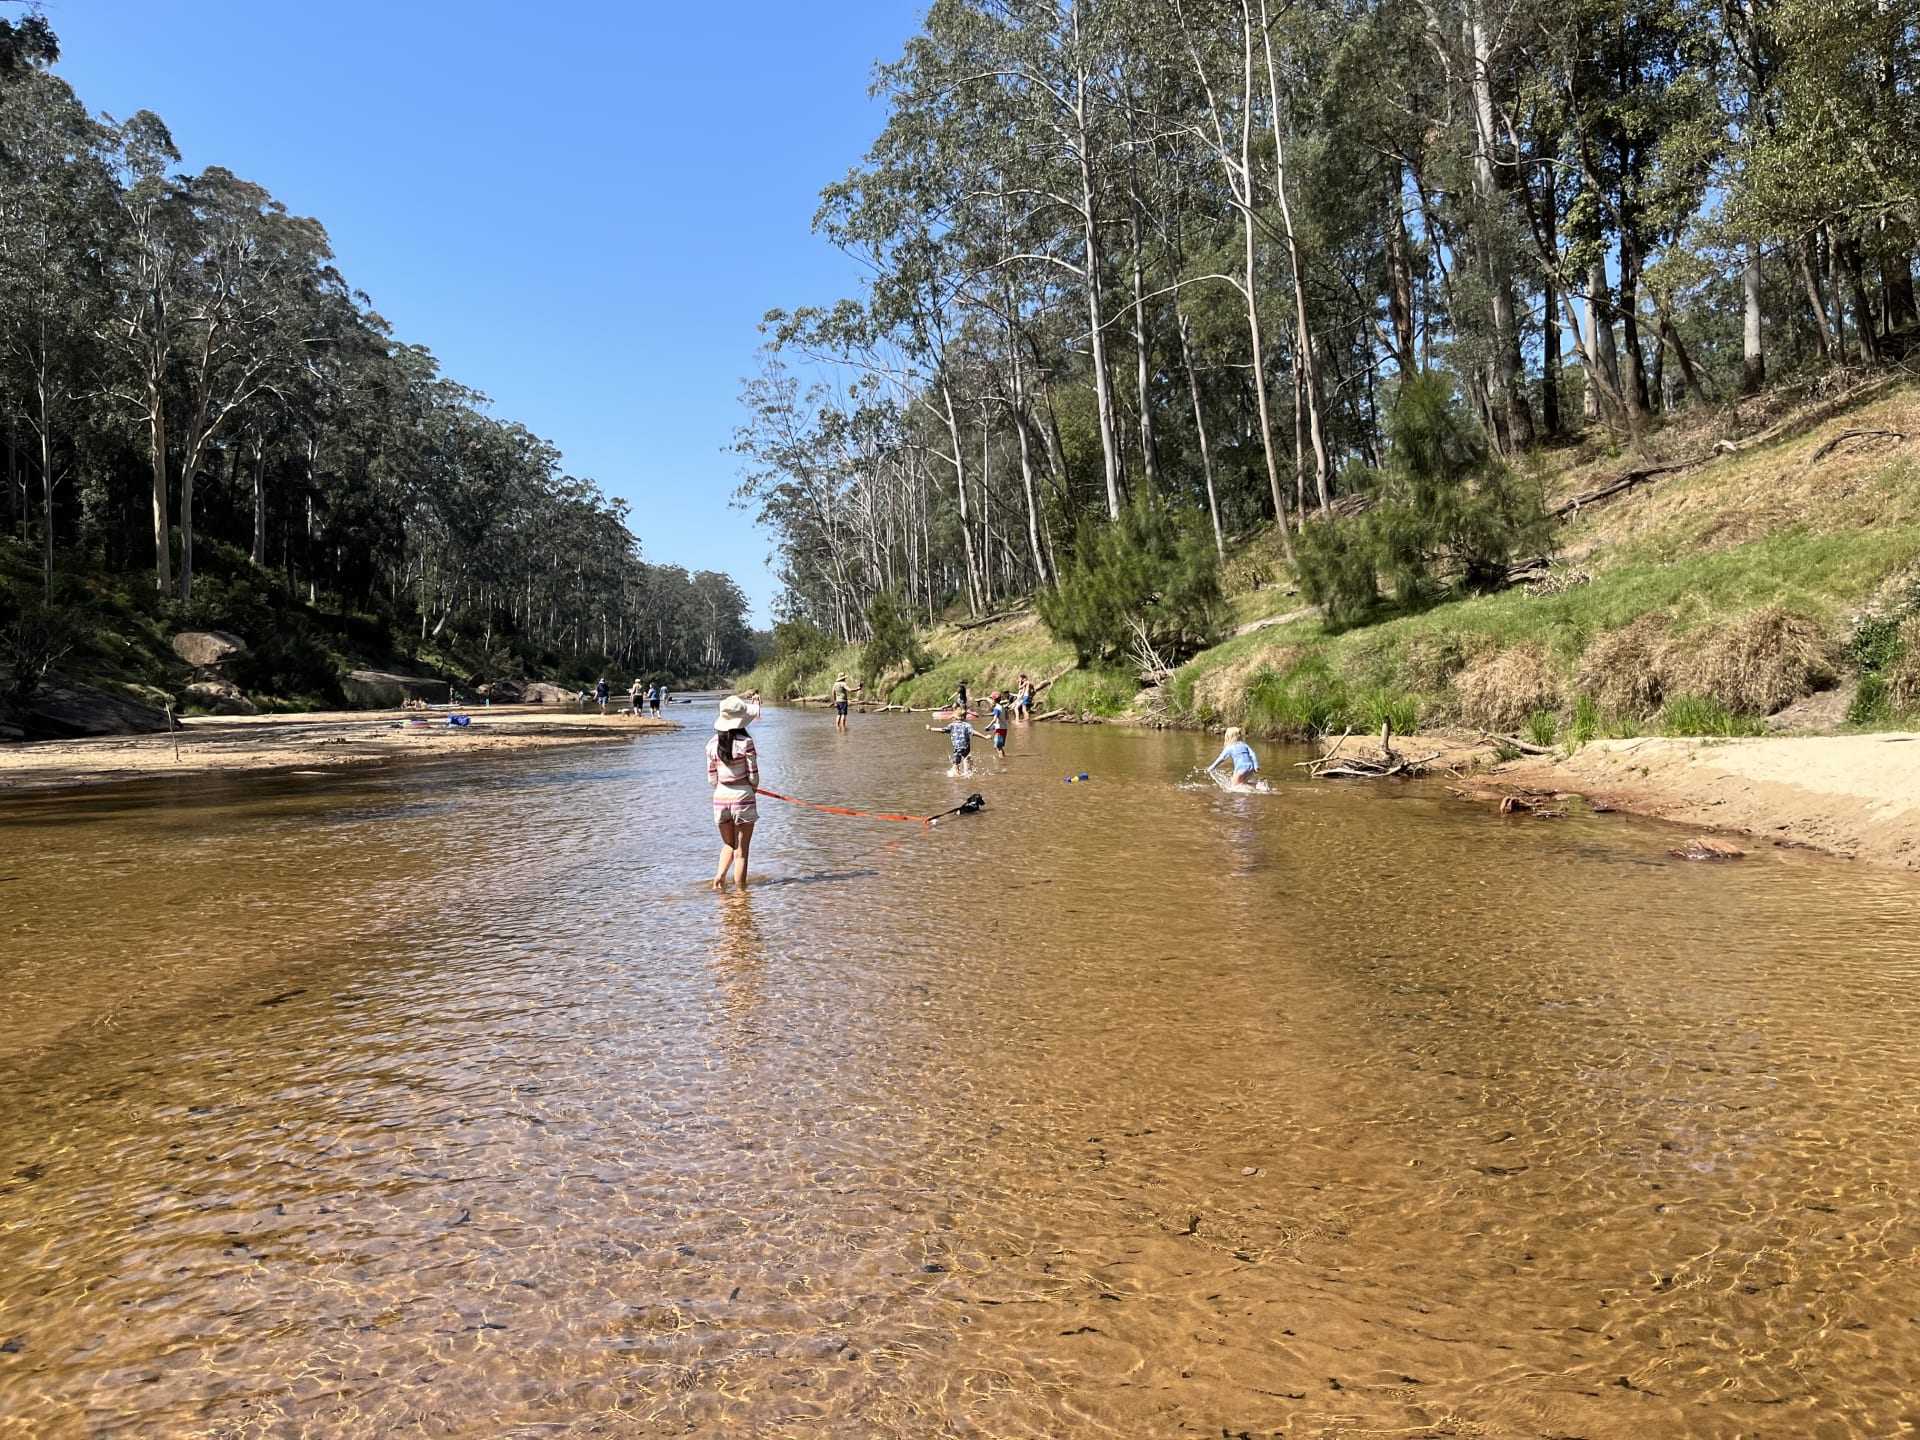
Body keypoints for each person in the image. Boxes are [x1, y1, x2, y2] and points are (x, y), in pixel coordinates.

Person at [706, 694, 760, 888]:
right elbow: (754, 777)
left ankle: (720, 876)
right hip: (742, 797)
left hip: (720, 798)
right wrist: (752, 787)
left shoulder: (711, 745)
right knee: (742, 851)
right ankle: (741, 895)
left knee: (728, 844)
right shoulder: (746, 743)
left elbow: (712, 779)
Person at [928, 710, 988, 777]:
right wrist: (984, 737)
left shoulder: (952, 725)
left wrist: (931, 729)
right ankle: (970, 772)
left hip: (957, 748)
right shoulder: (967, 725)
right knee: (968, 759)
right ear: (965, 717)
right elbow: (973, 732)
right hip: (966, 747)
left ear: (954, 717)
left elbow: (942, 730)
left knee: (956, 765)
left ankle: (958, 778)